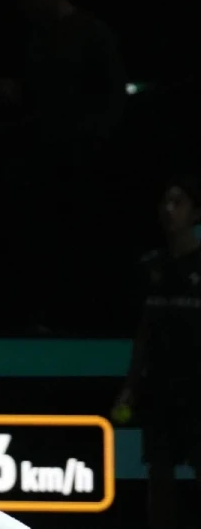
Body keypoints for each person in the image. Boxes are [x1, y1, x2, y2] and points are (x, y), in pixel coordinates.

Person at [115, 175, 201, 528]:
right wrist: (130, 387)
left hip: (198, 391)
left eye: (178, 202)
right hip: (161, 390)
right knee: (159, 478)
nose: (169, 210)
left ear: (196, 213)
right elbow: (143, 333)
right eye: (165, 202)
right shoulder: (151, 266)